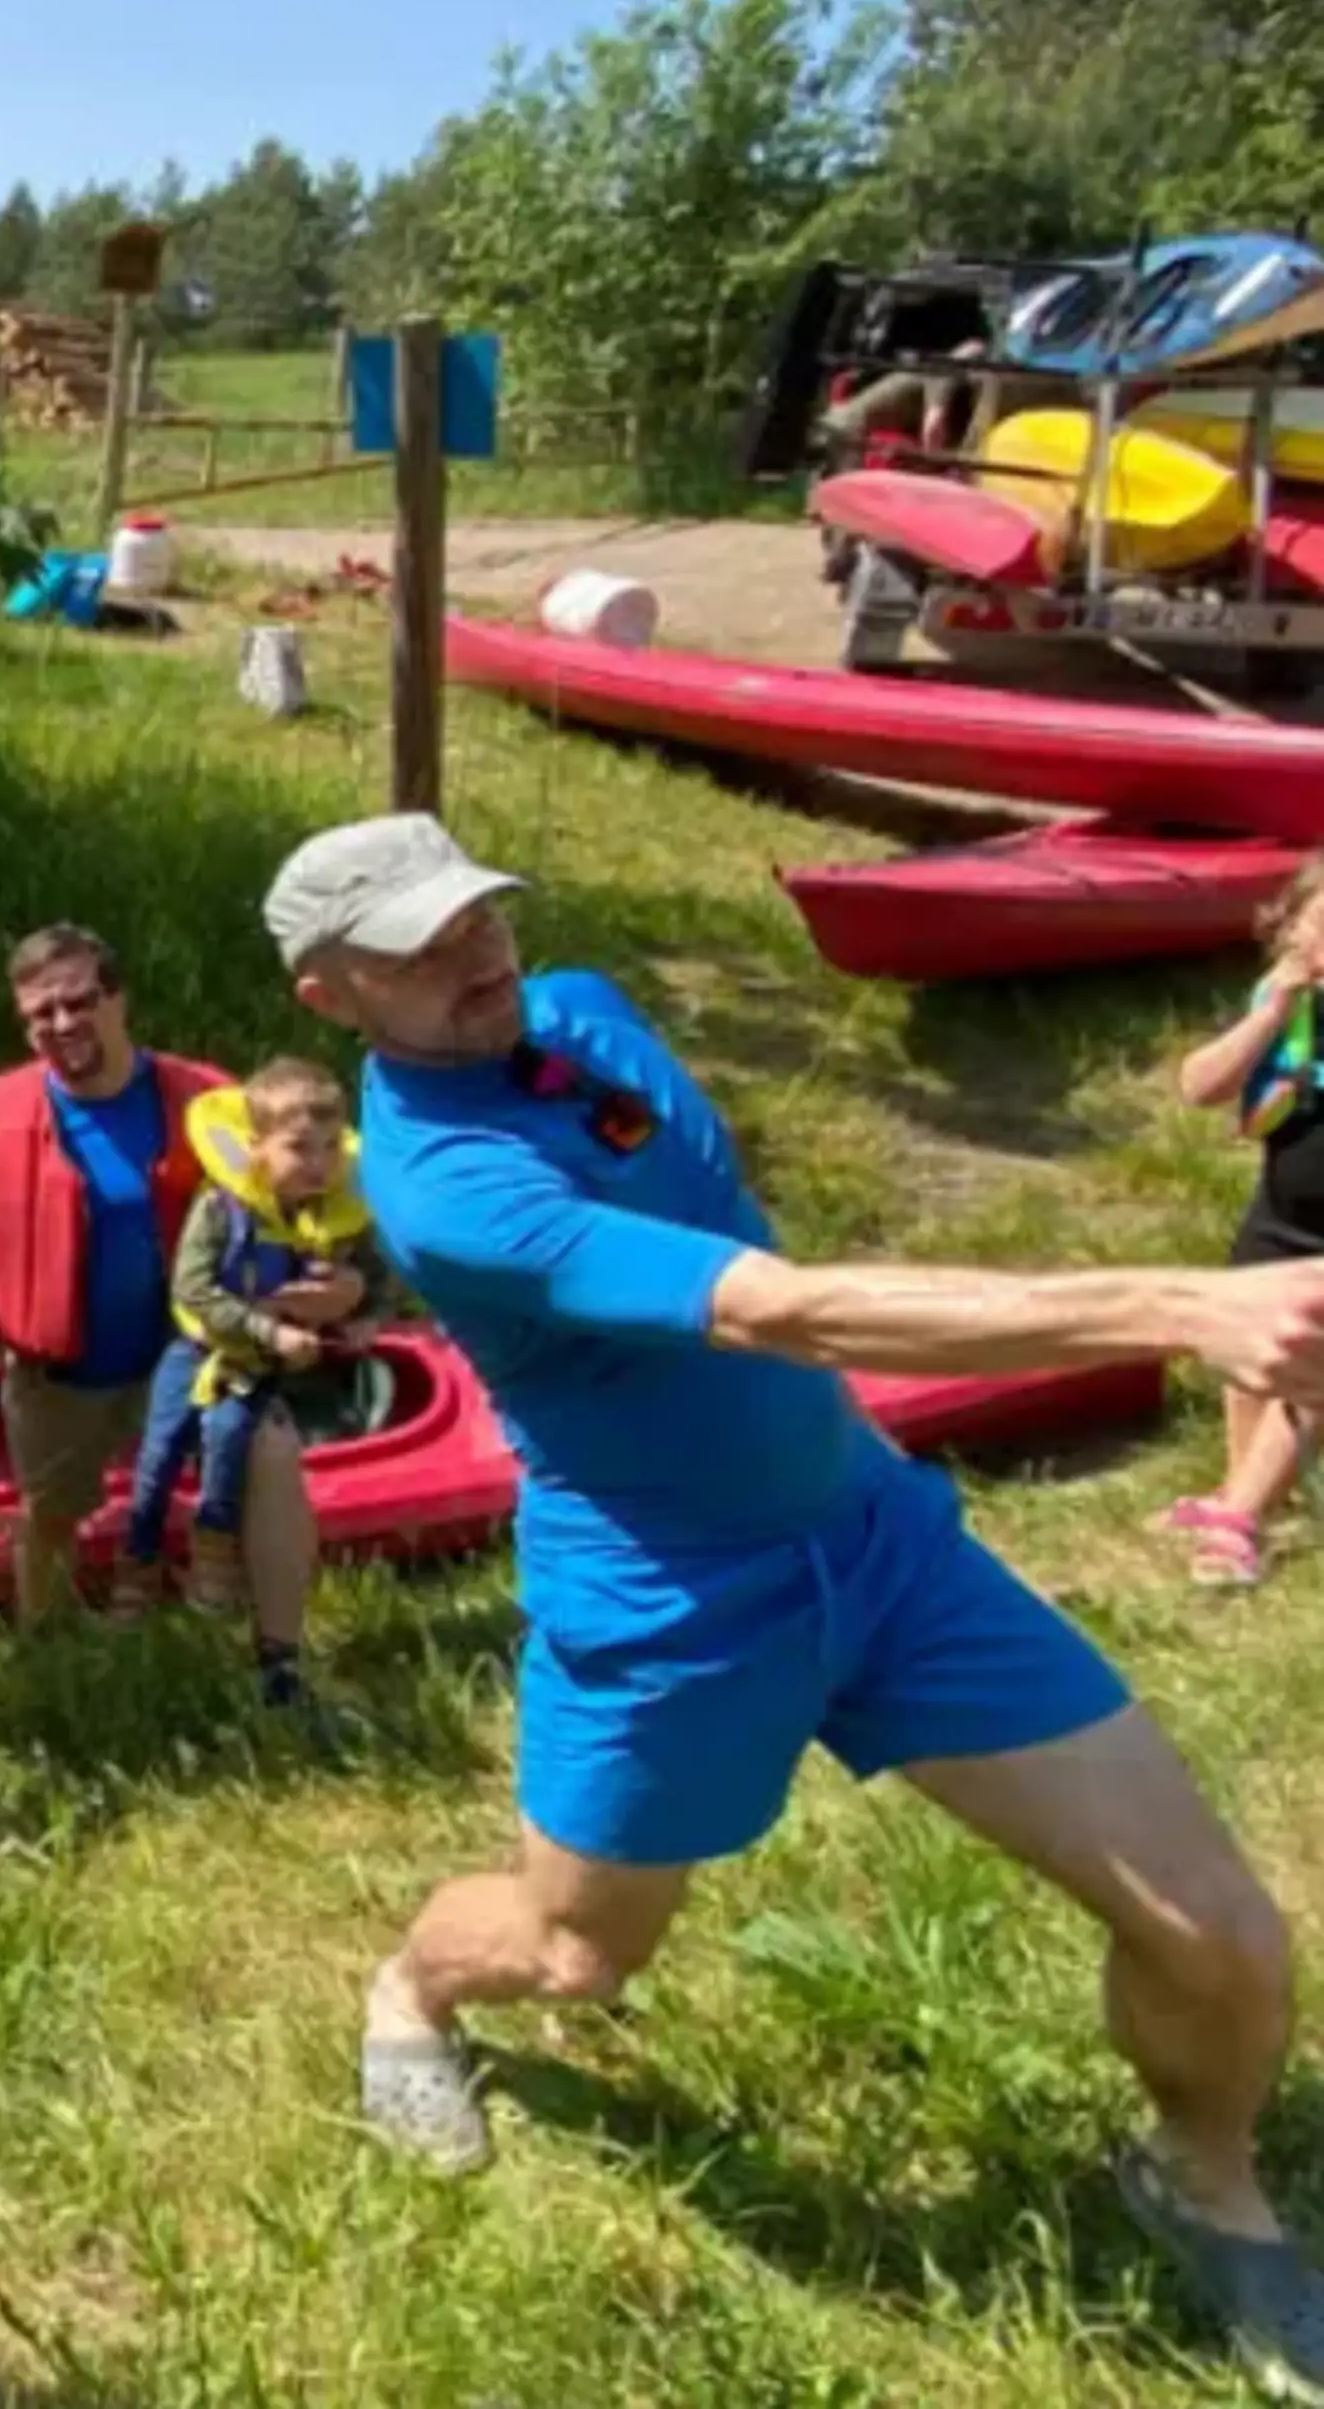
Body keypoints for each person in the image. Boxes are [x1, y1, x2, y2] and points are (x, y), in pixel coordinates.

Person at [275, 811, 1324, 2395]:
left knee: (1223, 1934)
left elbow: (730, 1224)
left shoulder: (579, 1017)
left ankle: (1203, 2173)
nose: (475, 954)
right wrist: (1178, 1299)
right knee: (572, 1957)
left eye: (479, 913)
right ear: (329, 992)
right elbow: (770, 1301)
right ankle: (411, 1987)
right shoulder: (444, 1183)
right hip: (668, 1598)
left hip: (876, 1537)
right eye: (417, 947)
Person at [0, 925, 248, 1632]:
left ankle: (234, 1637)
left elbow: (284, 1213)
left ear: (118, 999)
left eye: (79, 1001)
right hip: (56, 1374)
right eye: (41, 1014)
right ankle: (45, 1651)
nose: (62, 1023)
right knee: (48, 1519)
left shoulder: (207, 1099)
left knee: (230, 1498)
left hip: (188, 1357)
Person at [112, 1060, 385, 1706]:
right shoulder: (222, 1208)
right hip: (204, 1348)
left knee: (232, 1439)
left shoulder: (340, 1223)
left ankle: (215, 1559)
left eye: (328, 1148)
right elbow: (192, 1289)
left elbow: (378, 1280)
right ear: (258, 1148)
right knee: (158, 1457)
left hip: (265, 1369)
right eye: (298, 1148)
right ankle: (139, 1560)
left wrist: (367, 1315)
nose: (316, 1164)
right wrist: (266, 1329)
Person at [1164, 851, 1324, 1587]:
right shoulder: (1282, 1003)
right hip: (1282, 1211)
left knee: (1312, 1372)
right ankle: (1240, 1500)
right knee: (1243, 1358)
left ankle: (1244, 1517)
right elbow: (1199, 1087)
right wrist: (1275, 1008)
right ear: (1291, 929)